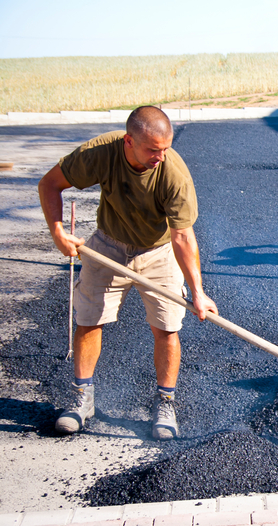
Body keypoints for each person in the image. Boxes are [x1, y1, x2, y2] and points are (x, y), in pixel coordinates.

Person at [38, 106, 218, 440]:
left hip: (159, 251)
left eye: (165, 148)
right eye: (153, 149)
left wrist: (198, 292)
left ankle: (165, 402)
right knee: (89, 320)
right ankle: (82, 399)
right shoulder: (99, 154)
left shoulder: (173, 173)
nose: (160, 157)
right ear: (128, 141)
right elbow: (49, 184)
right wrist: (58, 232)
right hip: (107, 247)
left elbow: (182, 236)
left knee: (167, 327)